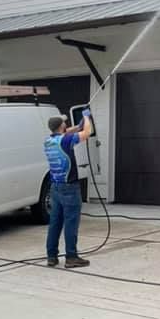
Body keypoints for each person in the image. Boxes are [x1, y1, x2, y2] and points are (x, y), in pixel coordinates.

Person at [43, 109, 93, 268]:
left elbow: (67, 133)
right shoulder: (65, 140)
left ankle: (51, 256)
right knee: (71, 222)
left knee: (55, 223)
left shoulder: (49, 140)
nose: (66, 124)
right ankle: (71, 257)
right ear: (61, 125)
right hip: (69, 189)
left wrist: (77, 126)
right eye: (64, 122)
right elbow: (88, 132)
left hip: (55, 189)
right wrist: (86, 117)